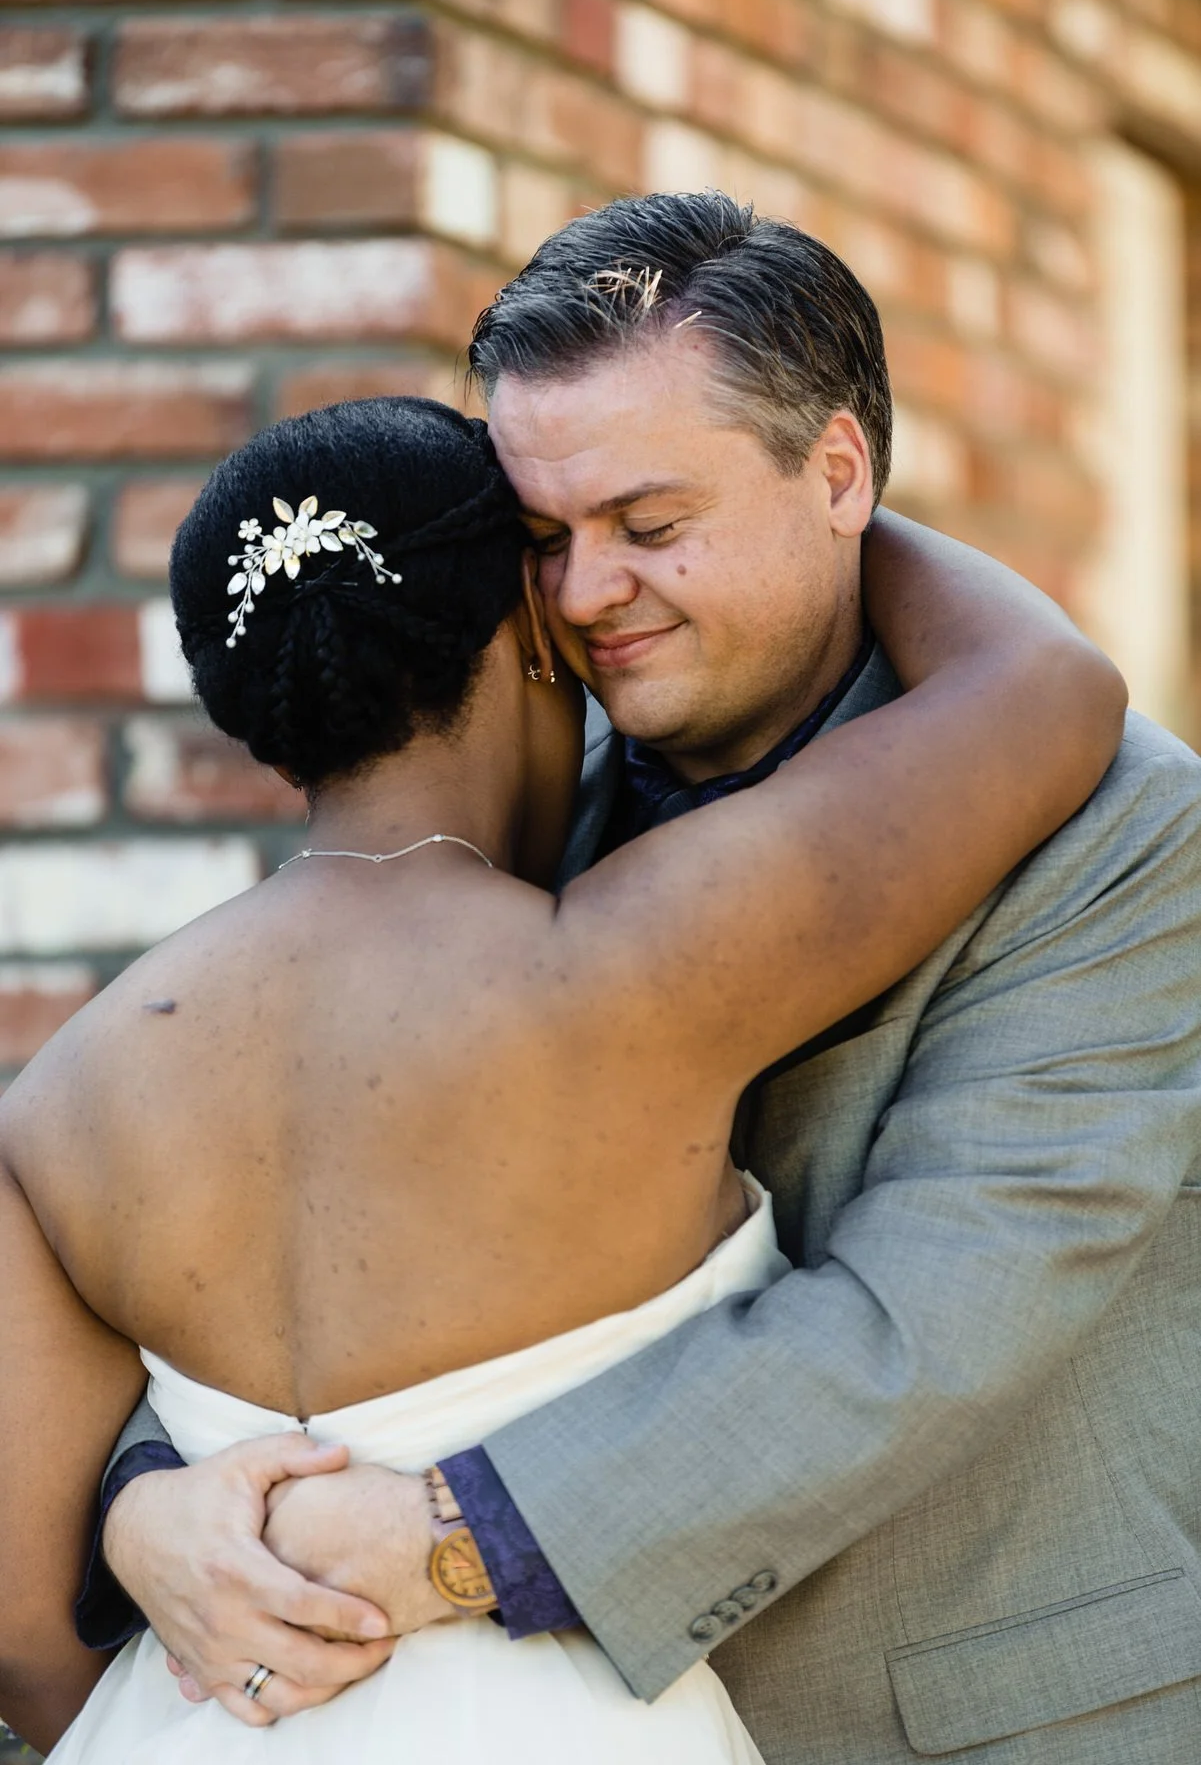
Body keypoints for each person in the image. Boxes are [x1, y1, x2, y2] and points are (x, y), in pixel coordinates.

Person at [58, 194, 1201, 1764]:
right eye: (542, 539)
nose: (587, 596)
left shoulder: (1121, 826)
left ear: (840, 473)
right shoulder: (489, 799)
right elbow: (270, 1196)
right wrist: (150, 1502)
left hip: (970, 1717)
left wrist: (454, 1536)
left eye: (650, 525)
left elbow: (924, 1325)